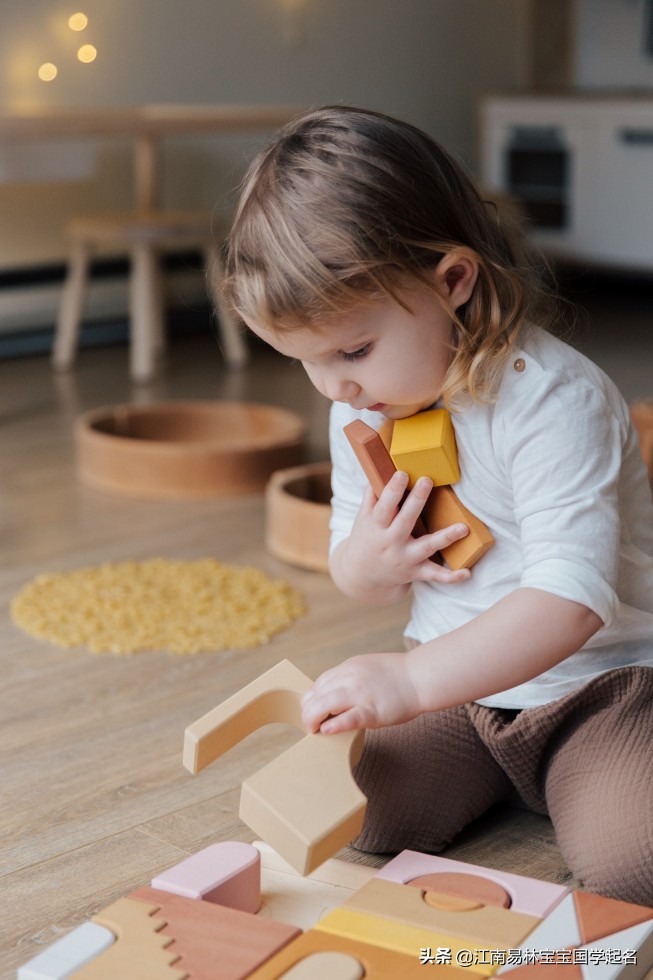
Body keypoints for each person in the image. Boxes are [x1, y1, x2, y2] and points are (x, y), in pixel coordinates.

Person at [221, 105, 653, 904]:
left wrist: (410, 684)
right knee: (361, 818)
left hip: (599, 687)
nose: (334, 387)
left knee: (632, 864)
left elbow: (570, 603)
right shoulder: (361, 404)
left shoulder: (556, 402)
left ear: (452, 281)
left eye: (352, 350)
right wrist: (368, 561)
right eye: (305, 361)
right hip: (462, 685)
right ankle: (531, 780)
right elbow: (360, 576)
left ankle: (583, 775)